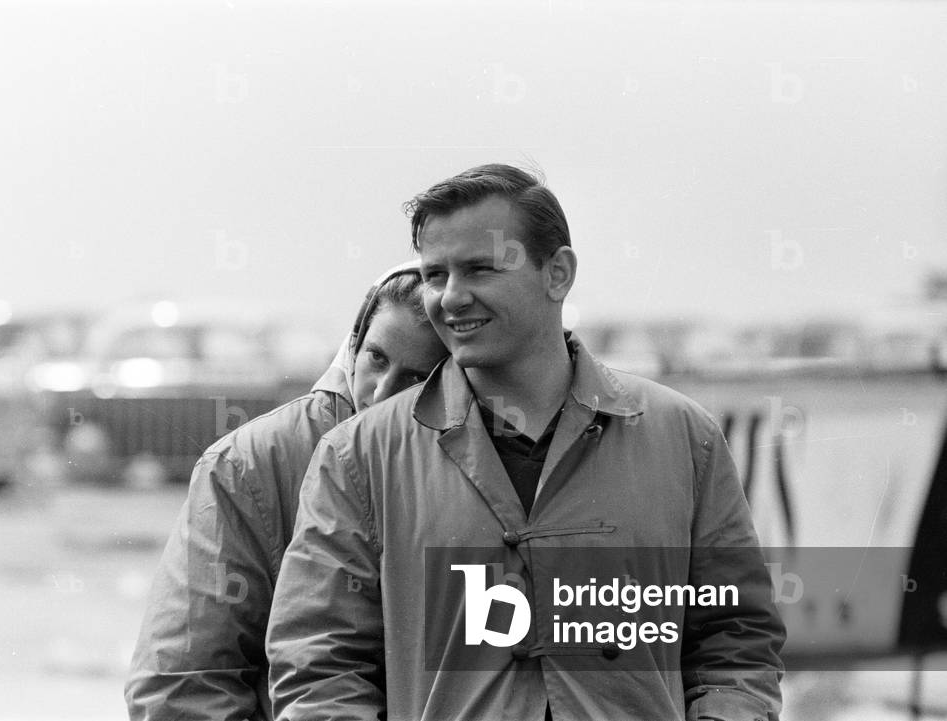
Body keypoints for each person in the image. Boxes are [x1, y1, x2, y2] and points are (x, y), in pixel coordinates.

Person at [266, 164, 785, 720]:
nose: (450, 297)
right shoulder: (359, 458)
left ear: (557, 273)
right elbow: (319, 664)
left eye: (479, 270)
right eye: (436, 274)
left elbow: (737, 639)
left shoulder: (684, 439)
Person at [125, 262, 448, 721]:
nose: (380, 393)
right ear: (354, 345)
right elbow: (180, 685)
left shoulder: (471, 472)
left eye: (417, 378)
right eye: (376, 359)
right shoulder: (249, 466)